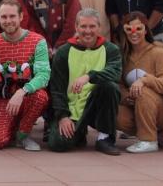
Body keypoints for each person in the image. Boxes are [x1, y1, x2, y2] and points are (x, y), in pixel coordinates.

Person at [47, 8, 122, 155]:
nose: (88, 31)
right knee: (57, 144)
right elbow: (57, 88)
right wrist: (63, 116)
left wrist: (89, 76)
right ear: (76, 27)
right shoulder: (63, 52)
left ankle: (104, 138)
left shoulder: (111, 49)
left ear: (99, 27)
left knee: (110, 86)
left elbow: (115, 73)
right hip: (72, 108)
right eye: (83, 26)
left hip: (97, 107)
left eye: (92, 26)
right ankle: (79, 132)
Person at [0, 0, 50, 151]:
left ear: (21, 17)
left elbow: (43, 75)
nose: (8, 21)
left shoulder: (38, 41)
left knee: (40, 96)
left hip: (27, 96)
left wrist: (22, 91)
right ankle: (10, 127)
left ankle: (23, 135)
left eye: (12, 16)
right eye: (4, 17)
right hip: (4, 100)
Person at [114, 11, 163, 153]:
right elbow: (119, 85)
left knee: (143, 92)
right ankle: (141, 132)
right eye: (129, 29)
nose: (134, 33)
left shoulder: (158, 52)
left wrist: (145, 80)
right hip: (137, 108)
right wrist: (127, 96)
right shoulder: (123, 55)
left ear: (145, 30)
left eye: (139, 29)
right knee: (113, 111)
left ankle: (148, 140)